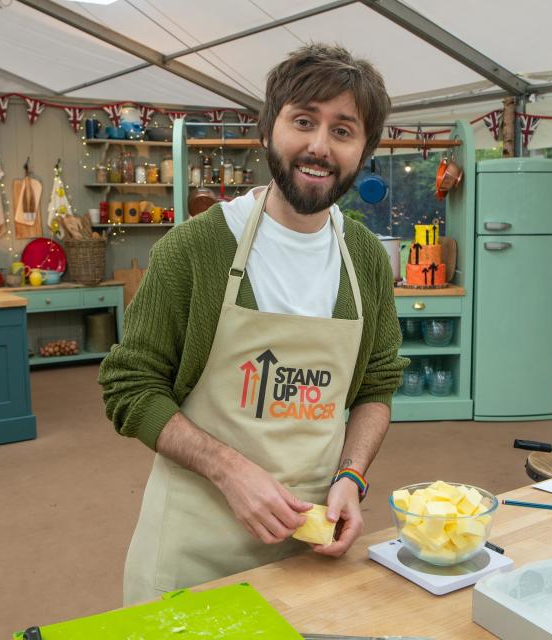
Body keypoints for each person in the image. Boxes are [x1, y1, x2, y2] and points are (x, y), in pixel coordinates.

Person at [99, 43, 406, 605]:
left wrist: (351, 478)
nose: (319, 145)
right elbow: (129, 387)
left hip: (310, 548)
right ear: (269, 129)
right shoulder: (193, 249)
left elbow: (376, 387)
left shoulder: (362, 257)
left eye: (343, 130)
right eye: (303, 121)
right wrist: (228, 469)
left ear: (363, 150)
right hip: (196, 548)